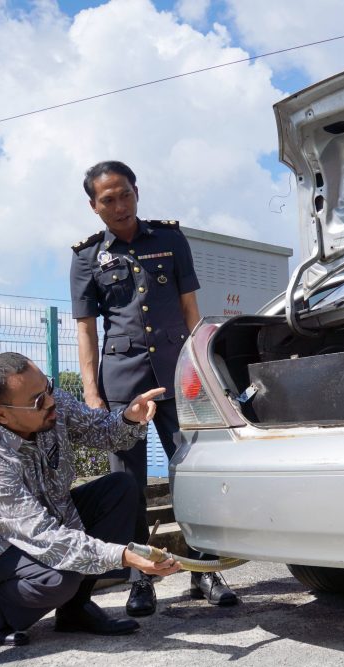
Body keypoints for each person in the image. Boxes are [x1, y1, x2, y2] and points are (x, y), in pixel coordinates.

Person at [69, 161, 238, 613]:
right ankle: (139, 579)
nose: (119, 205)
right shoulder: (86, 256)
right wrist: (91, 392)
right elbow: (86, 328)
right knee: (128, 482)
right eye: (108, 199)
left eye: (125, 194)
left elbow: (189, 309)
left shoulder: (169, 239)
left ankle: (206, 570)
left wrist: (201, 371)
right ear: (94, 206)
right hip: (122, 382)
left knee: (191, 469)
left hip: (176, 375)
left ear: (137, 192)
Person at [0, 353, 181, 646]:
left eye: (48, 387)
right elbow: (43, 537)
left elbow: (103, 431)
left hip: (49, 517)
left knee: (120, 488)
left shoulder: (51, 402)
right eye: (37, 401)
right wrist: (123, 555)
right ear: (1, 414)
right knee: (59, 579)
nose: (50, 402)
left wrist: (128, 417)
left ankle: (74, 611)